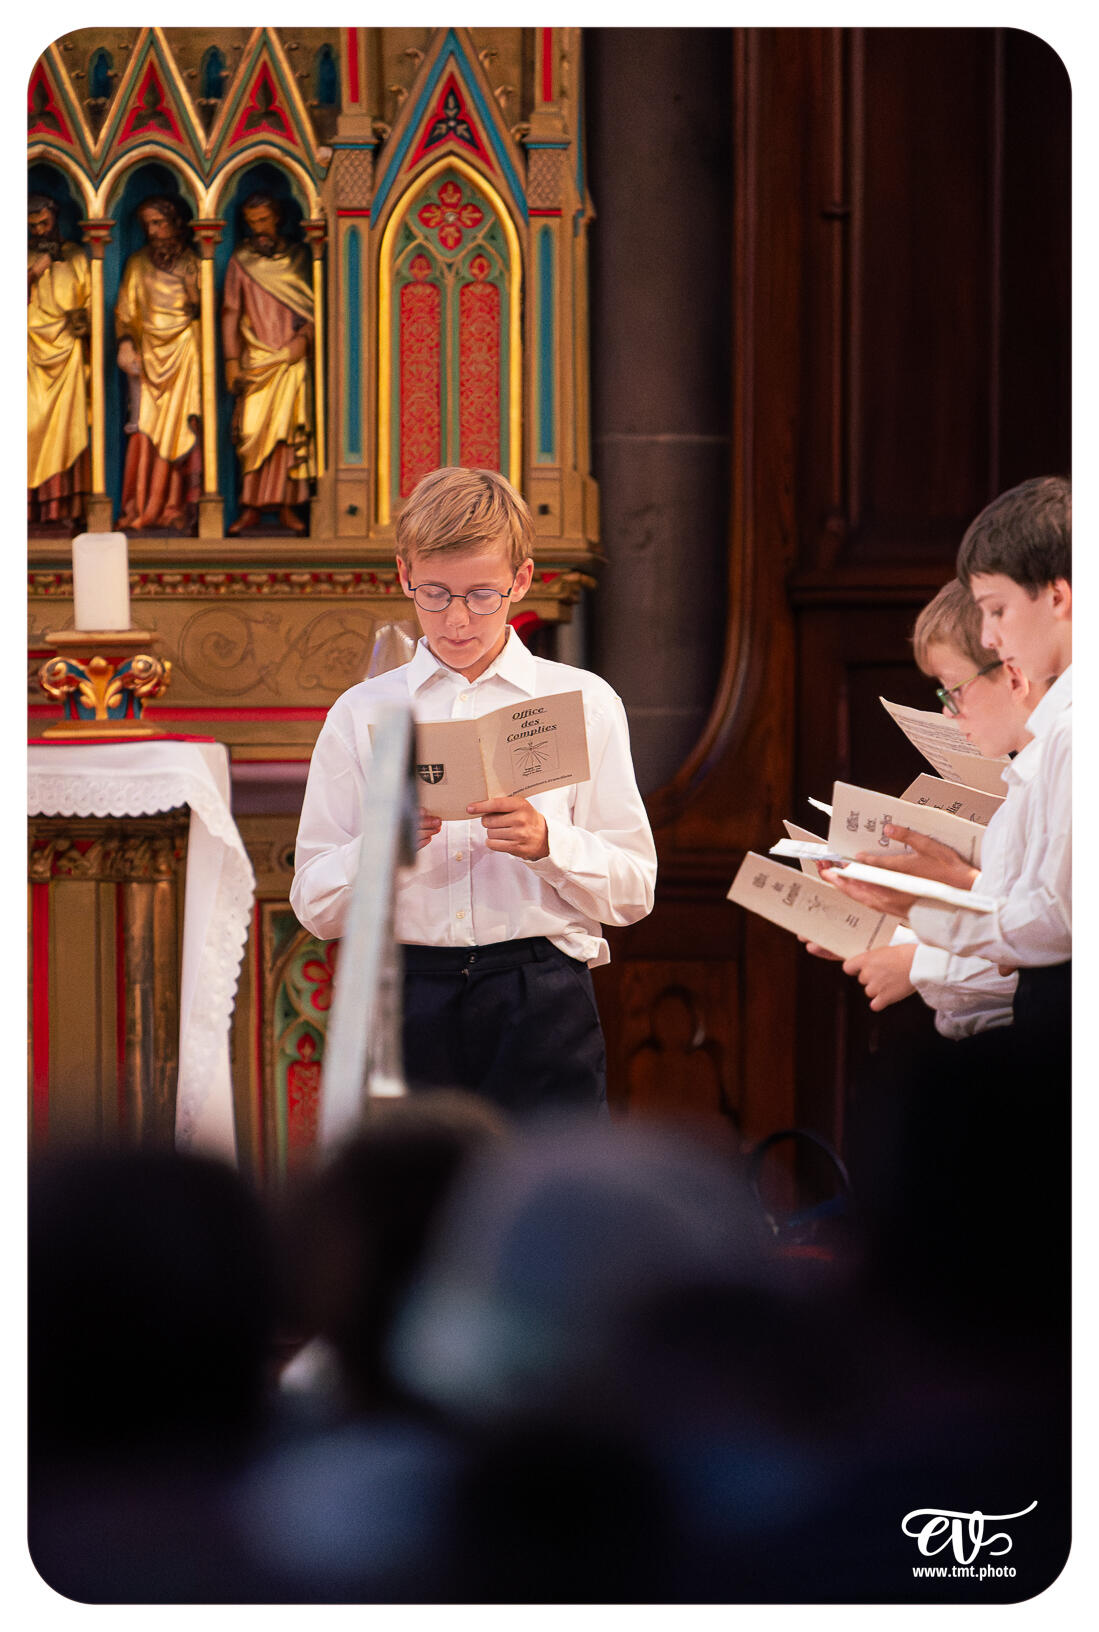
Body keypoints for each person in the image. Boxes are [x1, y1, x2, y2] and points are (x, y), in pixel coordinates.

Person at [291, 466, 657, 1115]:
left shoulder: (582, 700)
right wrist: (382, 847)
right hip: (410, 994)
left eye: (482, 594)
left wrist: (549, 844)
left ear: (521, 579)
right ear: (404, 575)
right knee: (420, 1209)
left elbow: (633, 891)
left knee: (548, 1208)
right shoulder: (361, 712)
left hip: (541, 992)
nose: (457, 619)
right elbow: (315, 904)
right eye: (434, 594)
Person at [823, 475, 1071, 1050]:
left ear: (1056, 597)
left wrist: (919, 923)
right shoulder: (1055, 740)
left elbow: (1055, 925)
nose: (991, 635)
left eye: (998, 611)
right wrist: (944, 892)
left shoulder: (1073, 733)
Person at [807, 578, 1035, 1038]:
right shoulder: (1027, 777)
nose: (948, 714)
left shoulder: (1058, 772)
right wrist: (891, 932)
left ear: (1013, 673)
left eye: (955, 689)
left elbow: (1044, 940)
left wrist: (920, 959)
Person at [221, 192, 315, 535]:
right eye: (251, 222)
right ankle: (250, 505)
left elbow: (317, 309)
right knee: (251, 432)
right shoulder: (240, 260)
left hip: (291, 360)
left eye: (263, 220)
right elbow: (230, 311)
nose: (257, 228)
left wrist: (305, 338)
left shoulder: (301, 257)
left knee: (289, 434)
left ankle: (289, 506)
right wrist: (231, 361)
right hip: (255, 359)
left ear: (277, 218)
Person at [114, 194, 202, 531]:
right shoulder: (137, 264)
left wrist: (195, 290)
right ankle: (141, 508)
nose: (152, 231)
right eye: (147, 225)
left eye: (158, 223)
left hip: (184, 354)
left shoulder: (194, 264)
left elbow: (205, 311)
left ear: (175, 223)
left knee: (183, 428)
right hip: (147, 355)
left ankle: (173, 509)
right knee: (145, 430)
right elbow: (125, 312)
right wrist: (125, 345)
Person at [28, 193, 90, 528]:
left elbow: (91, 302)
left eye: (44, 224)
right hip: (26, 356)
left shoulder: (77, 256)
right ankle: (27, 509)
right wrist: (32, 273)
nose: (38, 232)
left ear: (56, 219)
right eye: (32, 226)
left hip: (66, 356)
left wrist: (84, 320)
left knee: (66, 430)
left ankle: (61, 509)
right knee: (26, 429)